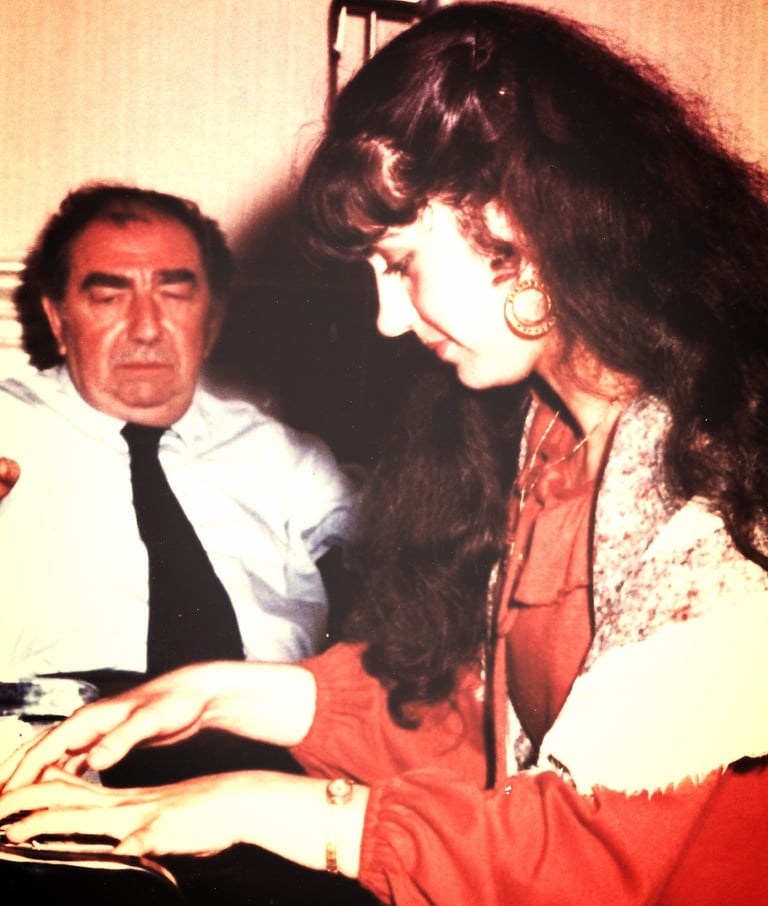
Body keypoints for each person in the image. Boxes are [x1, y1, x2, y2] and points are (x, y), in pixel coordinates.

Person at [1, 4, 768, 903]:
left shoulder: (721, 473)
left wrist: (243, 803)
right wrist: (210, 693)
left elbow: (591, 859)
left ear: (520, 220)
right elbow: (476, 736)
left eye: (399, 262)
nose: (388, 319)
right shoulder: (551, 438)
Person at [0, 183, 361, 681]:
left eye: (173, 294)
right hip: (54, 714)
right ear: (58, 320)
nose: (146, 328)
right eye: (108, 297)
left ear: (212, 321)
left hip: (261, 711)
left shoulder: (283, 457)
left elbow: (412, 550)